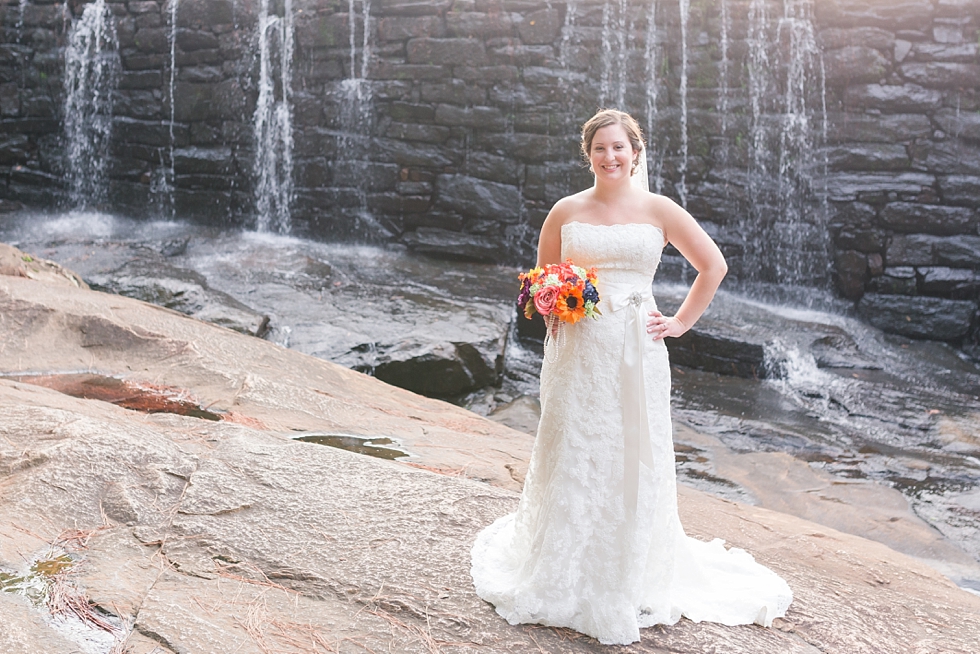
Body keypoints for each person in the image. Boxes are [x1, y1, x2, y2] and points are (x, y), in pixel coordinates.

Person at [470, 109, 793, 645]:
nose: (610, 156)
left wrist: (681, 322)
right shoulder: (566, 211)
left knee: (633, 451)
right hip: (577, 355)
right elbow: (541, 280)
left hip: (637, 351)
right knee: (575, 445)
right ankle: (563, 566)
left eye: (619, 147)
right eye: (600, 148)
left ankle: (629, 573)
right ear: (589, 154)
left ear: (635, 152)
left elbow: (713, 265)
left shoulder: (660, 210)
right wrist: (554, 306)